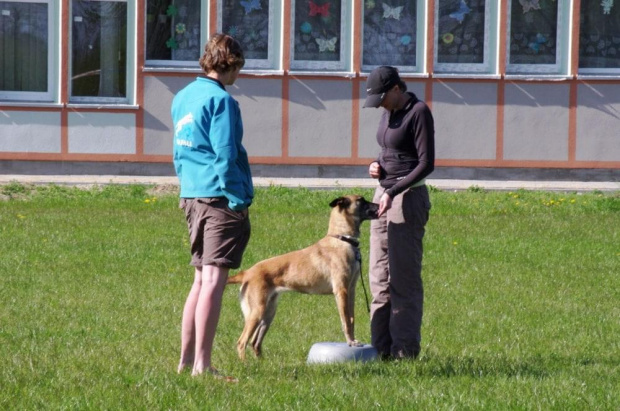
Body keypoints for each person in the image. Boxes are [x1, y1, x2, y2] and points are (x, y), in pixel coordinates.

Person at [171, 33, 253, 380]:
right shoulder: (222, 101)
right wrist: (238, 200)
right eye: (238, 70)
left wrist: (186, 191)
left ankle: (186, 362)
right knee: (215, 282)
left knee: (200, 281)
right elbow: (225, 156)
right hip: (219, 200)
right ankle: (203, 367)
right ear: (230, 64)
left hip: (191, 195)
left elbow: (180, 151)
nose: (238, 78)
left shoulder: (182, 97)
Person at [363, 65, 435, 360]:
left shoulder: (418, 112)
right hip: (383, 196)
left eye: (382, 97)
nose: (379, 104)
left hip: (407, 198)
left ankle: (404, 351)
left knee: (402, 279)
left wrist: (393, 191)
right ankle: (379, 349)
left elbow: (426, 163)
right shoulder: (388, 111)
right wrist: (375, 165)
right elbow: (388, 150)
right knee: (379, 275)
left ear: (396, 89)